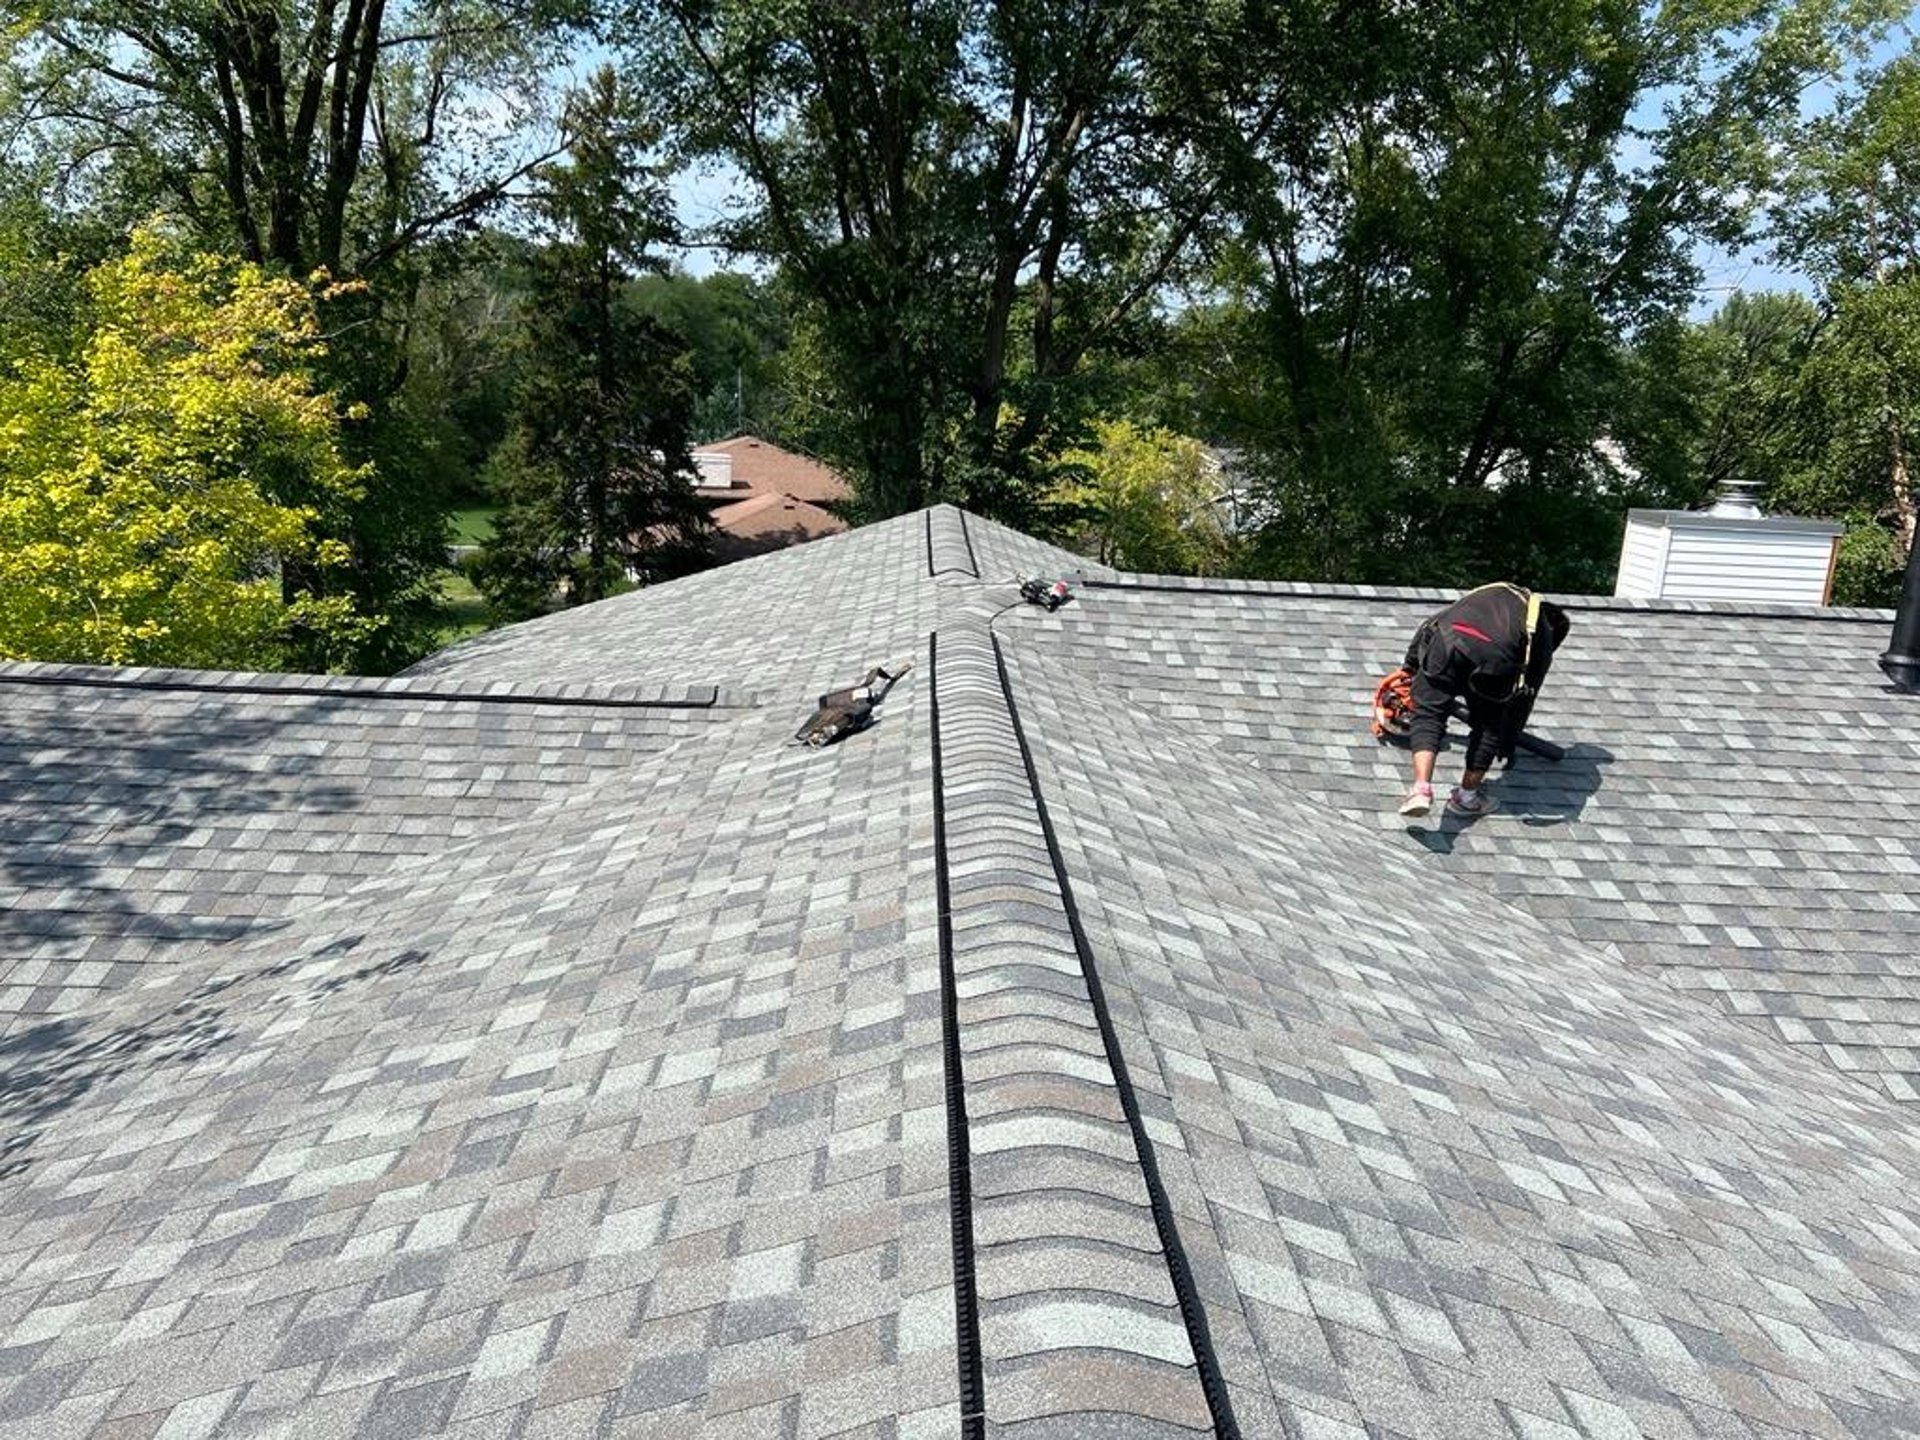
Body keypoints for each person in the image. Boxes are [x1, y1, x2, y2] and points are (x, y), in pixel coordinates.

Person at [1396, 583, 1570, 818]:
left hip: (1446, 638)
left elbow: (1431, 623)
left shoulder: (1492, 592)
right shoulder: (1544, 630)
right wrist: (1506, 741)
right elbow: (1525, 697)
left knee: (1428, 714)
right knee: (1489, 727)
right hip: (1493, 658)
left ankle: (1420, 789)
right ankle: (1466, 798)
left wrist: (1409, 668)